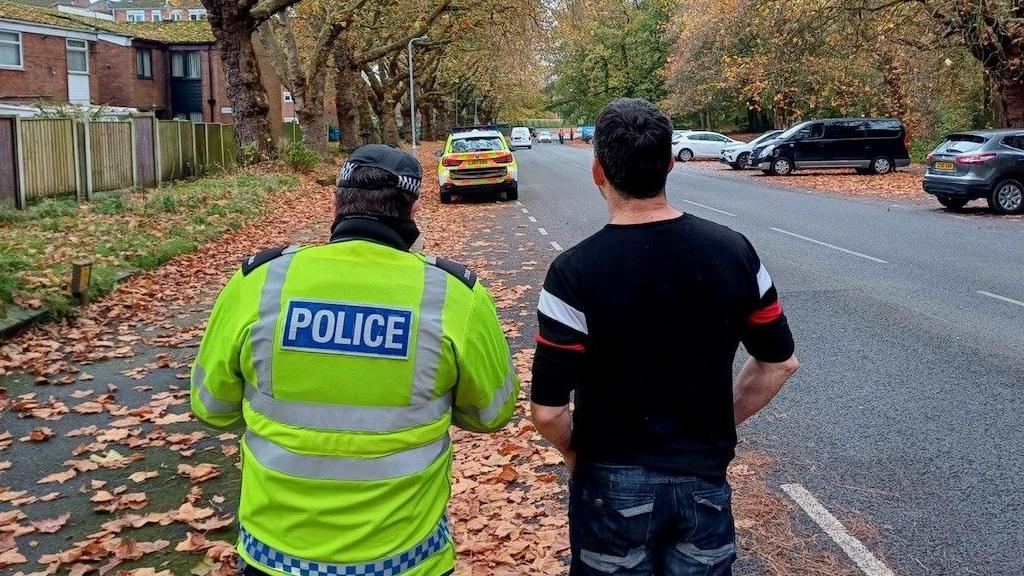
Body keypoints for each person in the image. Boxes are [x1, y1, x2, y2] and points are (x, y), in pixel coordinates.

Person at [191, 144, 519, 576]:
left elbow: (211, 408)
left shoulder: (260, 281)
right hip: (407, 558)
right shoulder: (455, 295)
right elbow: (491, 413)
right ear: (414, 209)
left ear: (335, 202)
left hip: (275, 555)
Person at [530, 98, 798, 575]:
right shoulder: (735, 253)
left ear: (598, 171)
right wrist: (719, 421)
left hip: (610, 480)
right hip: (703, 478)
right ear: (670, 164)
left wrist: (577, 453)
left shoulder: (572, 274)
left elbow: (549, 411)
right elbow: (778, 363)